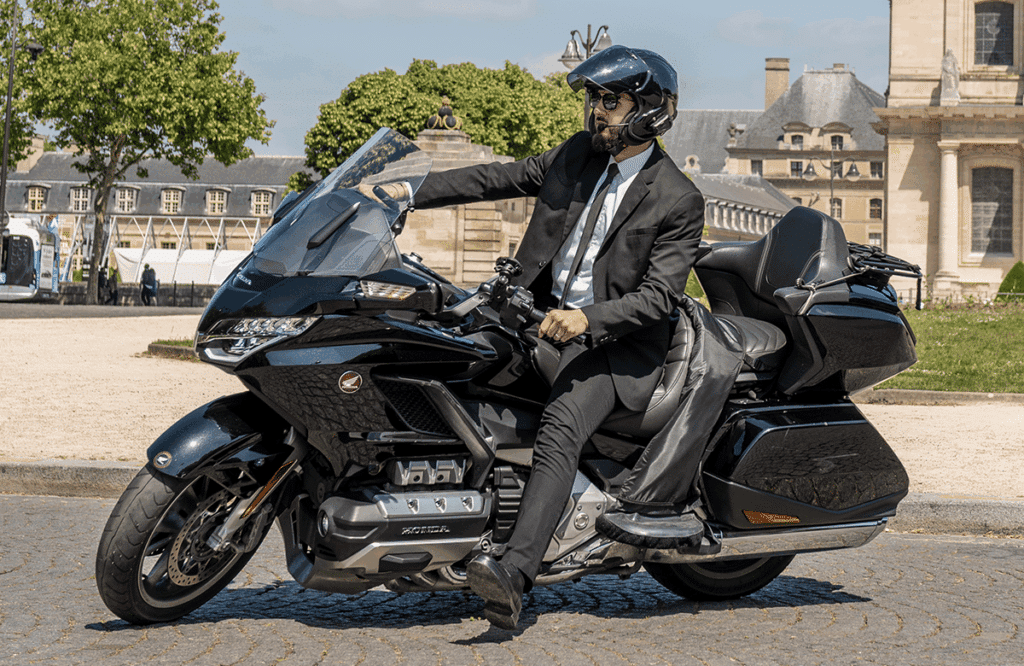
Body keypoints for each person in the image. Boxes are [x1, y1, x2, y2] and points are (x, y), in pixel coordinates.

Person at [378, 46, 705, 630]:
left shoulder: (677, 197)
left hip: (612, 348)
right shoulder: (577, 156)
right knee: (434, 356)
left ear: (649, 111)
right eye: (594, 99)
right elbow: (492, 178)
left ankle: (514, 574)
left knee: (561, 427)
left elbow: (659, 298)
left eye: (610, 100)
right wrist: (405, 190)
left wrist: (587, 319)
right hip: (531, 318)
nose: (596, 110)